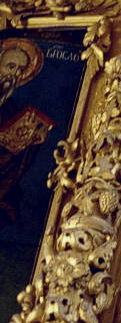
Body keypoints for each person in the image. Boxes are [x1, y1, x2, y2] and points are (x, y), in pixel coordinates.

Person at [0, 39, 52, 229]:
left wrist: (32, 140)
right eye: (10, 66)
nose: (14, 74)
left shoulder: (10, 108)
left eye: (20, 70)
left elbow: (10, 164)